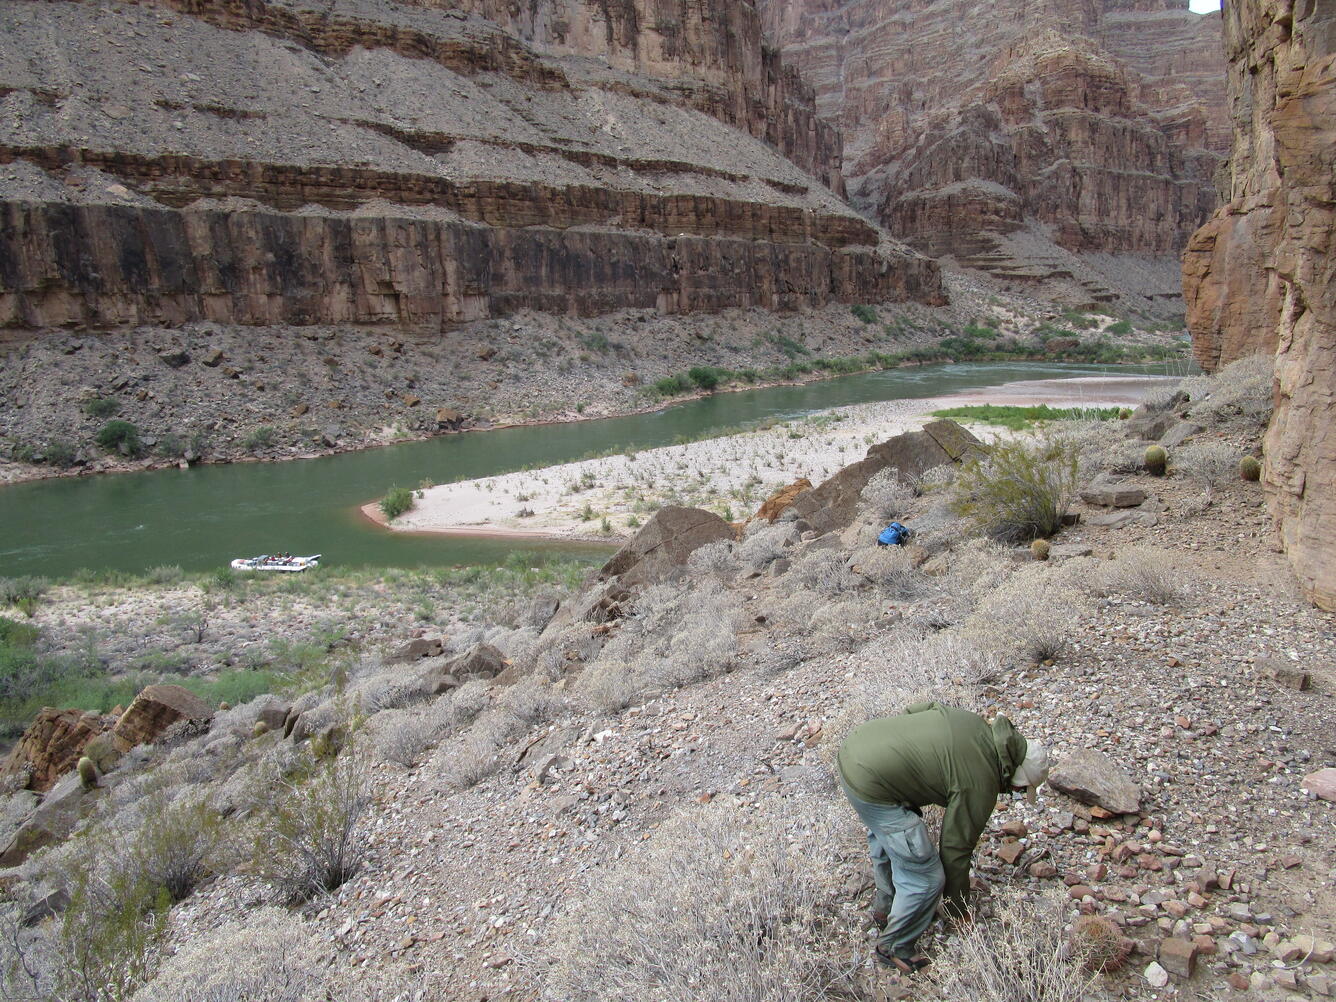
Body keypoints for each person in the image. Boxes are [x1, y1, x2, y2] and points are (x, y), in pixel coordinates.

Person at [836, 700, 1049, 972]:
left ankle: (884, 907)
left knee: (888, 836)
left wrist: (907, 762)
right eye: (1019, 789)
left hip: (856, 748)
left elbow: (916, 710)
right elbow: (954, 849)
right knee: (925, 875)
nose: (1014, 793)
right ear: (1014, 776)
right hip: (872, 784)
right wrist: (957, 909)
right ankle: (893, 947)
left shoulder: (973, 723)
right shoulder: (982, 778)